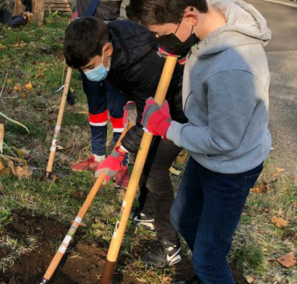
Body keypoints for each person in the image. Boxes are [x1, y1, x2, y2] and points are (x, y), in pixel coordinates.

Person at [126, 0, 272, 283]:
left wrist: (167, 127)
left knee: (208, 257)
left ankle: (210, 270)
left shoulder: (231, 68)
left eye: (158, 32)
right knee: (183, 219)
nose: (157, 40)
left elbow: (223, 141)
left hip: (231, 168)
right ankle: (208, 271)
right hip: (205, 156)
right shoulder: (209, 22)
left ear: (189, 16)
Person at [64, 17, 187, 267]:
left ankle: (170, 245)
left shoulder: (142, 65)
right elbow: (135, 97)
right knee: (144, 158)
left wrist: (119, 152)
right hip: (149, 100)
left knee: (154, 168)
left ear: (107, 50)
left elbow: (149, 121)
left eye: (89, 66)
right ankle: (147, 213)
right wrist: (131, 102)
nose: (87, 73)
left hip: (177, 109)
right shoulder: (110, 39)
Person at [69, 0, 128, 183]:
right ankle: (97, 157)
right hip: (86, 45)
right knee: (95, 106)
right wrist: (77, 17)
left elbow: (128, 5)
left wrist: (119, 27)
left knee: (119, 109)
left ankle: (120, 163)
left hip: (111, 44)